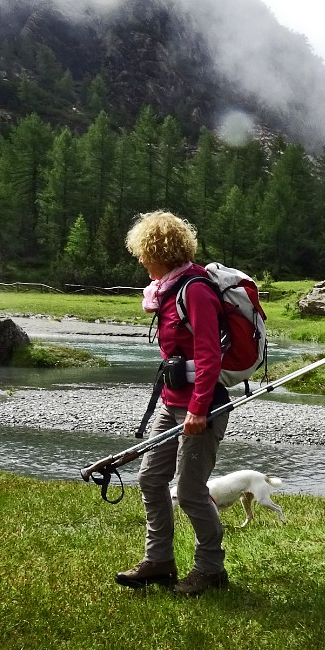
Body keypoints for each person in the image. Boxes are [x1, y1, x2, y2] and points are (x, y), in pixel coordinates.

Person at [115, 210, 232, 595]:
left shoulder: (194, 290)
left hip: (203, 406)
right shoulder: (166, 290)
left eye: (143, 253)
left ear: (158, 250)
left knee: (190, 491)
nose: (140, 260)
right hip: (171, 403)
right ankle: (160, 561)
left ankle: (211, 569)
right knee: (150, 478)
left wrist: (198, 407)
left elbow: (210, 354)